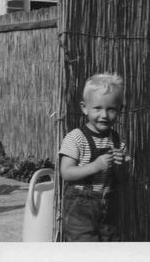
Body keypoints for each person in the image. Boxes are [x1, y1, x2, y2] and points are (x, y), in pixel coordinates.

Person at [59, 72, 131, 241]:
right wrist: (95, 166)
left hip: (108, 207)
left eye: (111, 109)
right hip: (80, 208)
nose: (104, 115)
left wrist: (121, 166)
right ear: (85, 108)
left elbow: (122, 179)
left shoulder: (118, 142)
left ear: (120, 110)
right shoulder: (76, 138)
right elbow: (66, 172)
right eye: (98, 108)